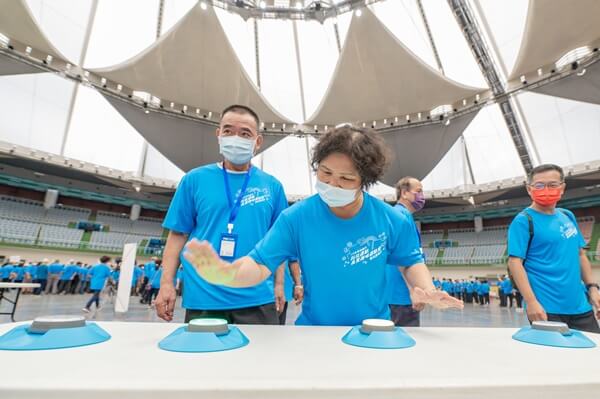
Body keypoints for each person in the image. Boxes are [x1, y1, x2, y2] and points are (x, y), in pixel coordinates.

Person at [180, 125, 463, 326]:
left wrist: (423, 288)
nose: (332, 184)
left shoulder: (391, 219)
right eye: (325, 173)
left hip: (374, 331)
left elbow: (410, 262)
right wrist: (225, 274)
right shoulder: (296, 218)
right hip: (314, 333)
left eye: (346, 179)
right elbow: (259, 264)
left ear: (364, 181)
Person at [155, 104, 288, 325]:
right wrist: (166, 283)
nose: (235, 138)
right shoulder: (194, 180)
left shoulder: (272, 187)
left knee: (259, 359)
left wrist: (279, 284)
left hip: (257, 296)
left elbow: (278, 242)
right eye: (228, 131)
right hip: (204, 297)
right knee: (205, 359)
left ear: (257, 141)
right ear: (218, 135)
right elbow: (177, 235)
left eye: (245, 133)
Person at [508, 164, 600, 333]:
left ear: (562, 187)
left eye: (552, 185)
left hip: (580, 305)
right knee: (556, 358)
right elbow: (515, 262)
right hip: (546, 308)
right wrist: (531, 302)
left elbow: (580, 254)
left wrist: (592, 288)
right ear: (529, 189)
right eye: (539, 185)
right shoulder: (523, 220)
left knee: (592, 357)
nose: (546, 189)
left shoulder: (567, 215)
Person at [386, 176, 427, 327]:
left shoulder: (399, 215)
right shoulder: (401, 217)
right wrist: (413, 290)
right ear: (404, 193)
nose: (422, 196)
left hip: (394, 295)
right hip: (400, 296)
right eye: (419, 191)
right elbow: (402, 258)